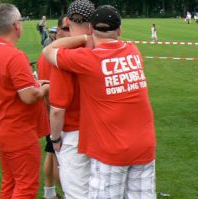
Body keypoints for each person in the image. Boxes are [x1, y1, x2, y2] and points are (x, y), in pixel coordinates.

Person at [43, 5, 156, 199]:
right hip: (143, 145)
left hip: (105, 145)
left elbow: (48, 51)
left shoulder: (87, 58)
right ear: (119, 30)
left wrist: (54, 139)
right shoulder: (133, 50)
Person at [0, 3, 49, 198]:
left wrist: (35, 83)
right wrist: (46, 87)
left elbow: (10, 85)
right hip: (18, 131)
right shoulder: (14, 55)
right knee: (26, 186)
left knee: (10, 181)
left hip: (2, 127)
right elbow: (28, 96)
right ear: (15, 25)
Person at [47, 0, 94, 198]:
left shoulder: (63, 57)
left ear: (67, 20)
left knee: (77, 193)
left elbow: (57, 109)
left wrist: (55, 138)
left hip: (74, 135)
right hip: (103, 132)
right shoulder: (103, 50)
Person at [37, 15, 70, 199]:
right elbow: (48, 92)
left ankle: (49, 192)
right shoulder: (52, 55)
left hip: (54, 116)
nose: (69, 31)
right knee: (60, 160)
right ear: (57, 31)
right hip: (56, 117)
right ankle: (68, 193)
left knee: (51, 154)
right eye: (65, 28)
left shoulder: (57, 51)